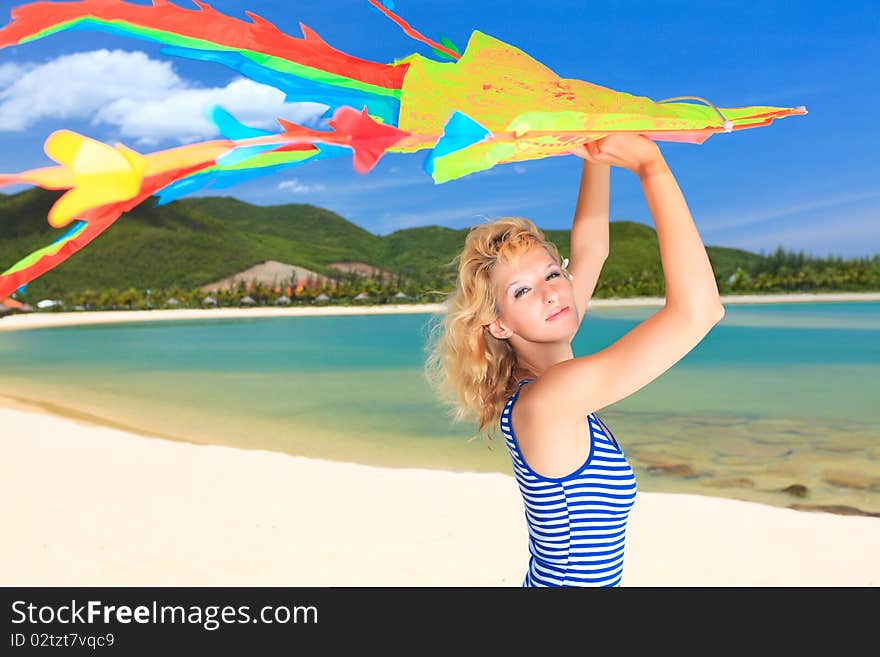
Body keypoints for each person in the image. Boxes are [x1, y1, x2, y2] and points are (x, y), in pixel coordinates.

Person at [423, 134, 725, 587]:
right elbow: (699, 311)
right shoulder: (549, 400)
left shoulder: (545, 378)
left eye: (551, 274)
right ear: (498, 324)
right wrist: (651, 166)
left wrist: (593, 148)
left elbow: (592, 250)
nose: (549, 292)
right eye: (521, 290)